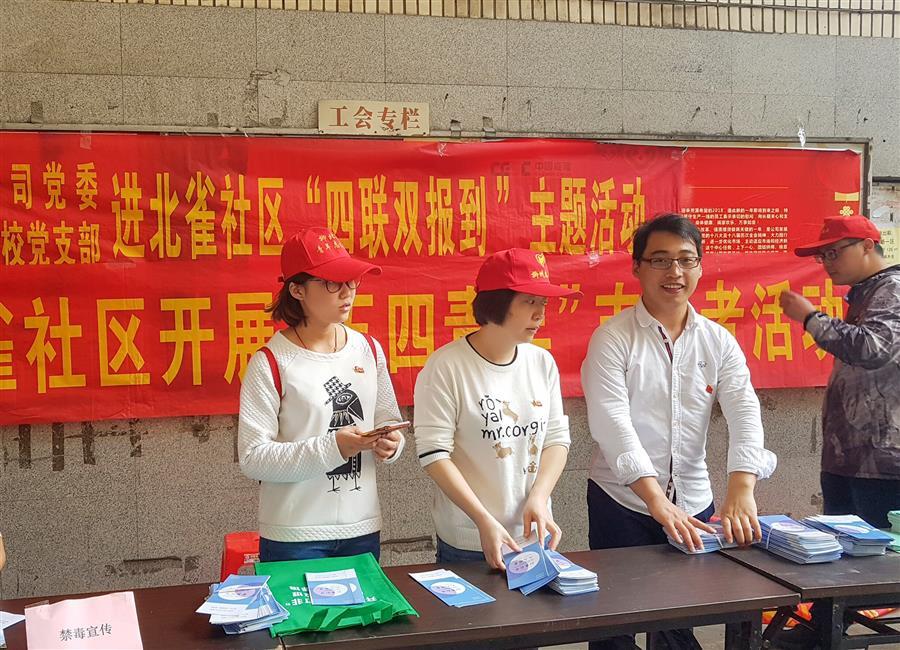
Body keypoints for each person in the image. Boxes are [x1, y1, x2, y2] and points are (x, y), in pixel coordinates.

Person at [582, 213, 776, 650]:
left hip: (693, 501)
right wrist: (655, 501)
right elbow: (612, 424)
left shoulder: (718, 341)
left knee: (679, 621)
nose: (675, 272)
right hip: (623, 503)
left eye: (686, 260)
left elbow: (745, 409)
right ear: (637, 267)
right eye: (660, 260)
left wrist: (742, 486)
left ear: (700, 267)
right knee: (614, 622)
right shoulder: (612, 338)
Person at [238, 227, 405, 562]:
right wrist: (334, 447)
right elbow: (253, 458)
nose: (346, 292)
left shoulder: (368, 349)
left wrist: (392, 444)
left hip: (361, 528)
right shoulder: (272, 362)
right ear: (297, 290)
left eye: (352, 281)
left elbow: (388, 419)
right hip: (294, 536)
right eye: (331, 282)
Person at [774, 215, 900, 649]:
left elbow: (873, 348)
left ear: (867, 246)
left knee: (874, 563)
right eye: (822, 255)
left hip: (883, 460)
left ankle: (831, 631)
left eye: (834, 252)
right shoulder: (866, 293)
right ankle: (824, 631)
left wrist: (810, 317)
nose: (827, 262)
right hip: (849, 454)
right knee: (840, 556)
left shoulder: (893, 288)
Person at [414, 249, 579, 570]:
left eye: (543, 303)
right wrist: (482, 520)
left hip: (534, 531)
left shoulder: (541, 362)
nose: (540, 315)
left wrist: (539, 497)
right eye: (529, 301)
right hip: (471, 539)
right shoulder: (446, 366)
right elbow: (434, 454)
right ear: (497, 302)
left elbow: (556, 439)